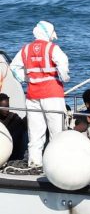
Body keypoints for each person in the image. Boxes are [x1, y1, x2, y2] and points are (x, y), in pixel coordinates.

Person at [10, 21, 70, 168]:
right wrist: (65, 78)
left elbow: (13, 66)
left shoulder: (25, 50)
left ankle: (34, 162)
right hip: (52, 94)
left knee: (35, 133)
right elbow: (63, 64)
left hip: (32, 94)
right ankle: (58, 163)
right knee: (57, 131)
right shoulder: (52, 48)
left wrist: (25, 79)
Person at [0, 93, 28, 160]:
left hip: (14, 152)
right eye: (4, 107)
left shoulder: (14, 117)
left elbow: (23, 125)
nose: (7, 109)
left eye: (8, 106)